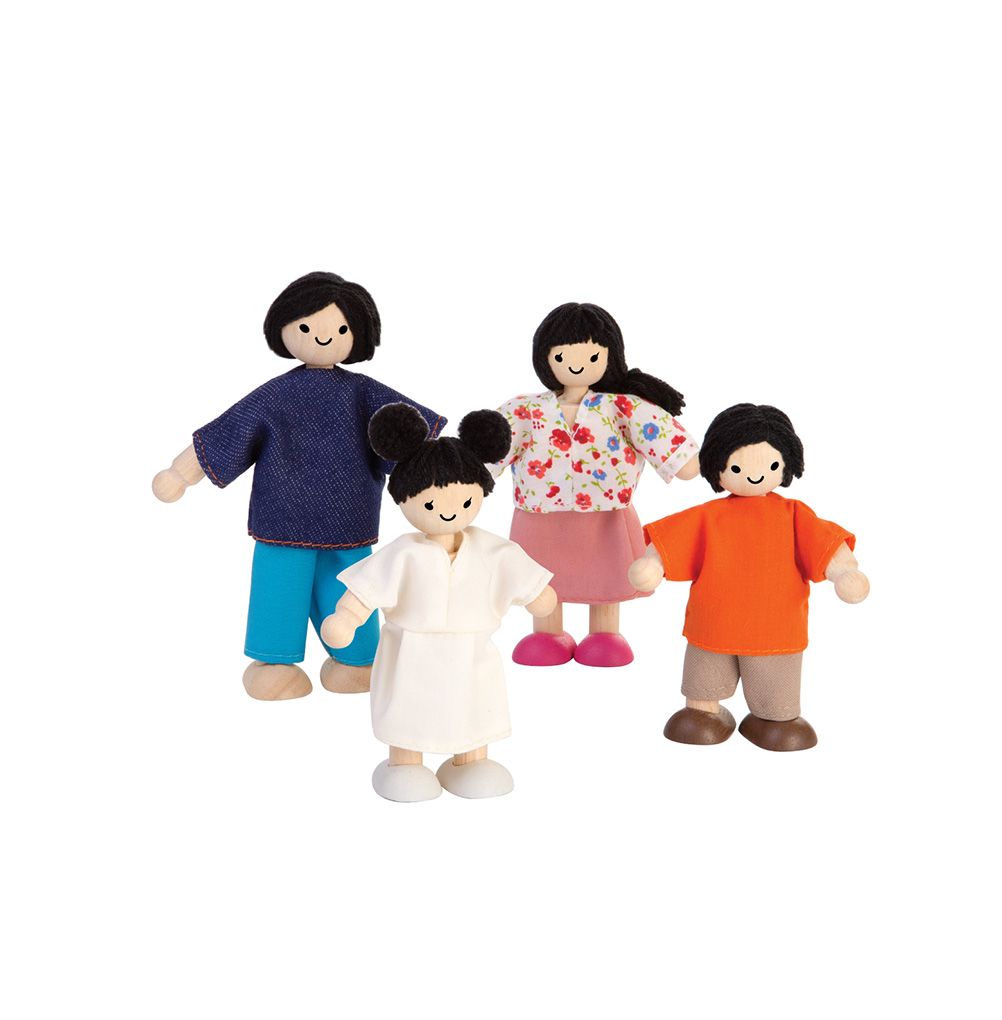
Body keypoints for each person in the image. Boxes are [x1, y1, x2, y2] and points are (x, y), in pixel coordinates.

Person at [152, 271, 445, 701]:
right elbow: (232, 431)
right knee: (279, 590)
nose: (323, 338)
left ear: (358, 335)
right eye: (306, 328)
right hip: (283, 519)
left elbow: (410, 437)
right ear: (284, 328)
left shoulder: (365, 393)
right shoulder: (276, 395)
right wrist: (181, 473)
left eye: (341, 330)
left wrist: (445, 473)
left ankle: (357, 660)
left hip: (349, 519)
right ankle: (274, 664)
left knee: (351, 587)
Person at [322, 403, 557, 802]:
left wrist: (537, 596)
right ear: (405, 499)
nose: (448, 512)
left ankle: (470, 762)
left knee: (473, 711)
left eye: (465, 502)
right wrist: (346, 618)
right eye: (430, 504)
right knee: (408, 712)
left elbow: (527, 584)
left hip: (471, 655)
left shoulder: (490, 549)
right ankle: (405, 764)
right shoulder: (404, 553)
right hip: (411, 654)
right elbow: (366, 590)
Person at [629, 403, 869, 751]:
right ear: (717, 467)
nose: (755, 475)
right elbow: (672, 545)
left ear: (786, 464)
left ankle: (775, 718)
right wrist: (653, 566)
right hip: (713, 627)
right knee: (704, 685)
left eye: (771, 465)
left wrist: (845, 572)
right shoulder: (708, 516)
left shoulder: (794, 515)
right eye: (737, 467)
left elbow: (825, 546)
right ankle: (703, 712)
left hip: (775, 628)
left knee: (777, 700)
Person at [490, 302, 700, 667]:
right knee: (543, 579)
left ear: (609, 356)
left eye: (591, 355)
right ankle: (548, 634)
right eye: (562, 355)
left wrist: (683, 459)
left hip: (606, 515)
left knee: (605, 575)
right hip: (540, 516)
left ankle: (604, 633)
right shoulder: (523, 410)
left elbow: (669, 445)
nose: (575, 364)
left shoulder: (624, 407)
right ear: (545, 358)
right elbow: (490, 448)